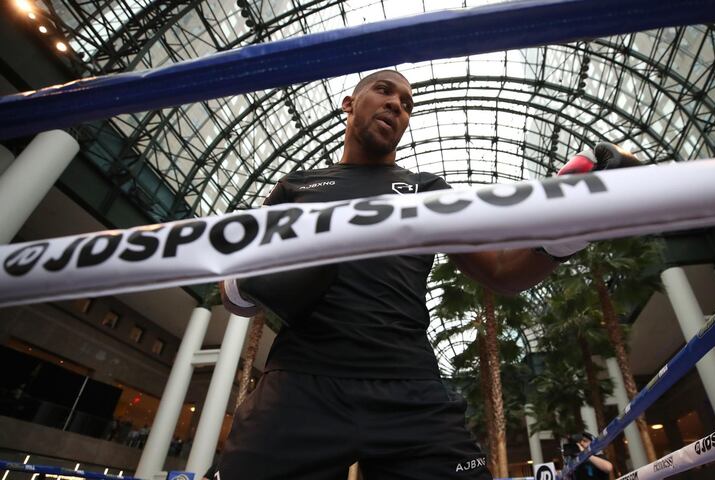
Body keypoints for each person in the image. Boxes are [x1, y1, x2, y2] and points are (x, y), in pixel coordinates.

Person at [215, 69, 638, 480]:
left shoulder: (425, 189)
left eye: (406, 105)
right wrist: (246, 281)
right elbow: (236, 293)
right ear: (349, 103)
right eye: (384, 92)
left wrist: (574, 224)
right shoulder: (298, 186)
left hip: (409, 388)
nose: (395, 105)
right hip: (300, 384)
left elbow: (503, 272)